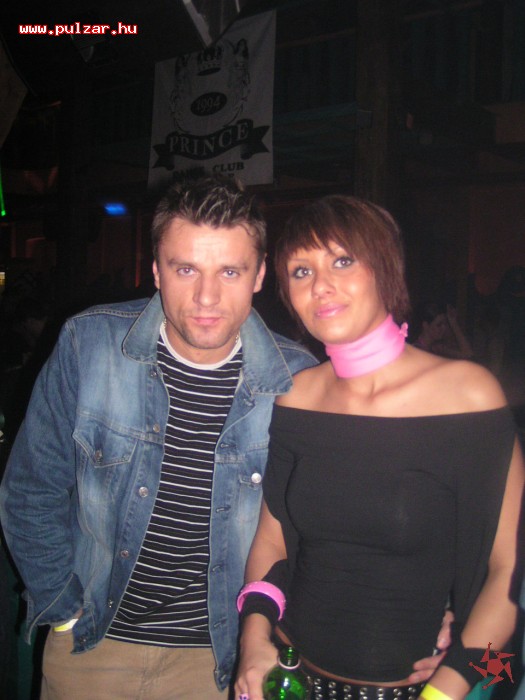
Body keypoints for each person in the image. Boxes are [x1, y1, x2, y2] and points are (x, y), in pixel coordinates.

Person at [0, 176, 447, 700]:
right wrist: (63, 611)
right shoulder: (90, 344)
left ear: (259, 275)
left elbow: (339, 525)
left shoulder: (299, 381)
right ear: (156, 270)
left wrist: (430, 606)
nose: (206, 297)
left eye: (229, 271)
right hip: (94, 647)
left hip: (224, 658)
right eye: (185, 269)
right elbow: (31, 489)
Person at [235, 195, 524, 700]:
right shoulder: (296, 397)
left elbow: (509, 574)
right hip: (292, 680)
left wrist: (449, 687)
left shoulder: (468, 396)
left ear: (385, 268)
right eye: (301, 271)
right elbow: (272, 541)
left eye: (342, 261)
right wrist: (253, 641)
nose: (320, 285)